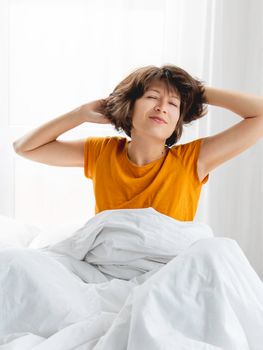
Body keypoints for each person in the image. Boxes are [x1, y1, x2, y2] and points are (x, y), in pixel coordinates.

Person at [13, 64, 263, 221]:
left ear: (178, 121)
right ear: (129, 108)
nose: (162, 107)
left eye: (173, 104)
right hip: (110, 267)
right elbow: (25, 147)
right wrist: (79, 113)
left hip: (166, 271)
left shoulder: (193, 160)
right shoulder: (103, 152)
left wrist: (194, 91)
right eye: (152, 97)